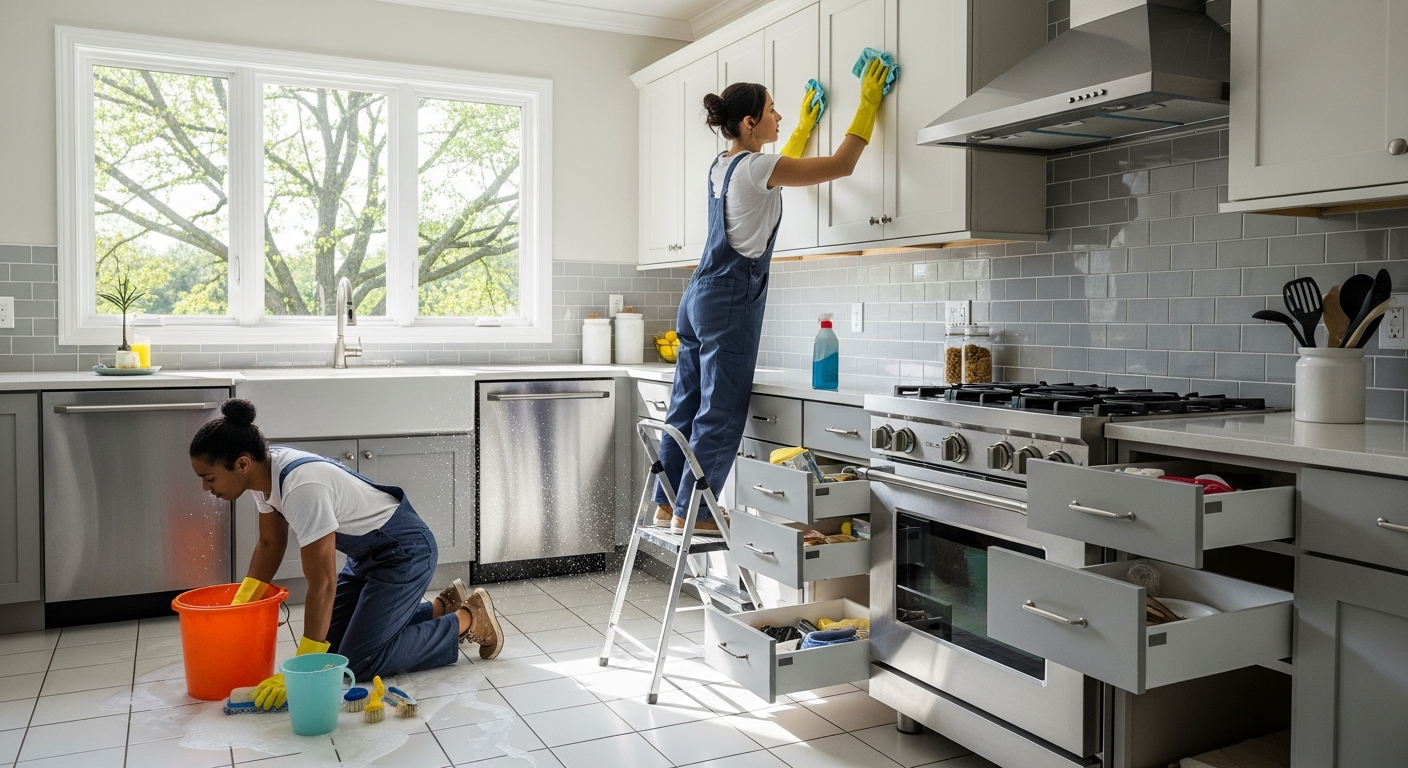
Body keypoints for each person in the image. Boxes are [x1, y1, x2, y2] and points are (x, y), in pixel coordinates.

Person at [654, 59, 893, 531]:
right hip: (727, 301)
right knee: (719, 412)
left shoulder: (724, 165)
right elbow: (842, 167)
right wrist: (868, 103)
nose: (779, 118)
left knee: (687, 404)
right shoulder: (757, 166)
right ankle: (694, 513)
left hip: (699, 295)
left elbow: (777, 169)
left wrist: (804, 124)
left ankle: (668, 503)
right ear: (749, 122)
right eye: (772, 110)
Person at [189, 399, 501, 709]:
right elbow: (271, 544)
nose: (206, 488)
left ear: (242, 464)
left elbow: (323, 583)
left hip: (405, 554)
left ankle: (468, 618)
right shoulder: (264, 472)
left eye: (209, 478)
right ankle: (438, 608)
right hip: (368, 558)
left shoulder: (300, 488)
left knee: (360, 662)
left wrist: (302, 669)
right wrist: (239, 608)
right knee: (333, 651)